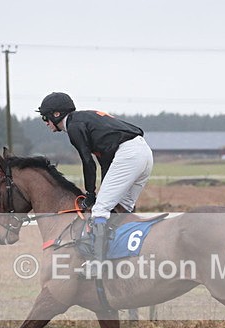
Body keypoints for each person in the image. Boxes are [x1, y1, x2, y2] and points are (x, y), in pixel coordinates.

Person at [37, 92, 153, 276]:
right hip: (145, 153)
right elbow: (104, 163)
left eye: (45, 117)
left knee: (99, 210)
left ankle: (97, 265)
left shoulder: (73, 126)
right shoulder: (84, 120)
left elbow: (88, 162)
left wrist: (90, 194)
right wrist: (100, 192)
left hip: (129, 154)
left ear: (56, 114)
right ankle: (127, 259)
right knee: (122, 209)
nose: (45, 122)